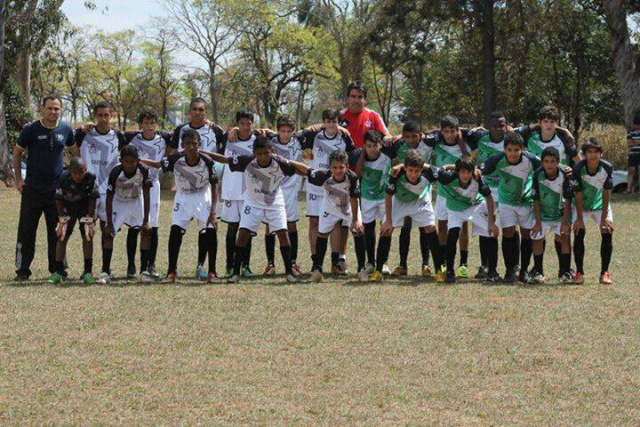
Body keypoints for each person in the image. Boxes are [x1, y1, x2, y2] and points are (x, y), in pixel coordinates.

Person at [202, 136, 307, 284]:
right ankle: (235, 273)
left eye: (266, 153)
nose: (263, 157)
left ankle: (289, 272)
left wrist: (289, 161)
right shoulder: (247, 160)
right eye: (259, 154)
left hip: (274, 201)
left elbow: (305, 171)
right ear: (254, 153)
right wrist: (203, 152)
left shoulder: (280, 163)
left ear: (272, 151)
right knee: (243, 233)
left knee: (283, 234)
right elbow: (225, 160)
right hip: (253, 202)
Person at [141, 129, 219, 283]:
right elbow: (158, 164)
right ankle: (171, 272)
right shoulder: (175, 158)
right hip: (182, 197)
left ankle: (212, 272)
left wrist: (214, 212)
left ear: (199, 144)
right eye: (187, 144)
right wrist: (140, 160)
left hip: (202, 196)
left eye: (194, 144)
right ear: (182, 145)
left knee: (210, 231)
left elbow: (215, 186)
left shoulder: (207, 161)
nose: (191, 147)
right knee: (175, 231)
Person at [13, 95, 76, 281]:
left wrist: (71, 178)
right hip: (32, 189)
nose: (53, 112)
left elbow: (76, 152)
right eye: (49, 108)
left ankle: (57, 268)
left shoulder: (65, 129)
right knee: (27, 230)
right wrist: (18, 179)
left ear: (61, 110)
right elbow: (17, 153)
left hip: (56, 191)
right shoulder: (31, 129)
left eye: (56, 108)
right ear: (42, 108)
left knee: (57, 230)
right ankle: (23, 270)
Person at [170, 97, 225, 279]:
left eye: (201, 110)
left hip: (205, 185)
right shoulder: (180, 130)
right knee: (176, 228)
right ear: (189, 111)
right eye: (194, 109)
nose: (198, 112)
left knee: (207, 227)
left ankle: (203, 266)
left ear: (206, 112)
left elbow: (227, 145)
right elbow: (171, 154)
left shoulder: (215, 130)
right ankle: (172, 271)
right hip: (184, 187)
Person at [290, 150, 365, 283]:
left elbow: (355, 199)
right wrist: (289, 162)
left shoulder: (352, 178)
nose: (338, 171)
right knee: (322, 235)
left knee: (358, 231)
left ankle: (361, 270)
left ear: (347, 167)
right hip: (329, 208)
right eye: (334, 167)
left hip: (348, 208)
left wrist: (355, 221)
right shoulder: (323, 176)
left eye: (341, 167)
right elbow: (307, 170)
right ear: (330, 168)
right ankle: (318, 271)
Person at [479, 132, 542, 283]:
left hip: (526, 202)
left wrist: (566, 169)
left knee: (526, 234)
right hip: (506, 202)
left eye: (516, 150)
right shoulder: (497, 159)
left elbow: (548, 166)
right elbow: (477, 170)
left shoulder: (531, 159)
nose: (513, 153)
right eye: (509, 150)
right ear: (504, 149)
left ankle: (524, 271)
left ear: (522, 149)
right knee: (508, 233)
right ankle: (509, 270)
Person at [300, 108, 356, 275]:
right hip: (315, 185)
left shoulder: (344, 136)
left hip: (335, 185)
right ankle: (315, 261)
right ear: (323, 122)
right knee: (314, 222)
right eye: (328, 121)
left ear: (338, 122)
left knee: (336, 222)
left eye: (334, 121)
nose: (331, 125)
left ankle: (335, 261)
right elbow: (295, 137)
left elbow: (353, 154)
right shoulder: (313, 134)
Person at [75, 101, 127, 276]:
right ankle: (87, 271)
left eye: (107, 115)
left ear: (111, 117)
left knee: (107, 231)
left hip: (108, 192)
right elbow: (68, 141)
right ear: (95, 116)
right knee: (87, 231)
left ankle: (106, 270)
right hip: (87, 192)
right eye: (100, 115)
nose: (103, 119)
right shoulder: (83, 134)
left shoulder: (119, 137)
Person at [377, 150, 444, 282]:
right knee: (386, 230)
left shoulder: (429, 174)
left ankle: (439, 270)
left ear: (421, 169)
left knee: (430, 227)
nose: (413, 174)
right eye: (410, 170)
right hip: (400, 201)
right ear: (405, 168)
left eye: (417, 171)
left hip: (420, 200)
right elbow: (388, 196)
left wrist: (422, 166)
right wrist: (388, 221)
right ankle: (378, 270)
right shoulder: (397, 174)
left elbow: (442, 172)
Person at [125, 108, 172, 279]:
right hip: (135, 185)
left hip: (153, 186)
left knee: (153, 226)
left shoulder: (163, 140)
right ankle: (131, 266)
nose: (149, 125)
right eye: (146, 122)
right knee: (134, 225)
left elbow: (161, 164)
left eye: (152, 122)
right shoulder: (133, 141)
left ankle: (150, 265)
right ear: (140, 124)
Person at [436, 157, 499, 283]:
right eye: (462, 172)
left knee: (491, 233)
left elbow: (489, 199)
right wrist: (451, 166)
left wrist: (492, 223)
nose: (465, 175)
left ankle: (492, 271)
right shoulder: (447, 178)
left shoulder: (478, 179)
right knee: (452, 235)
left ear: (473, 171)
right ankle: (449, 271)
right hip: (455, 209)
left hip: (474, 206)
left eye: (468, 172)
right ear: (457, 172)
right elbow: (438, 169)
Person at [425, 115, 472, 278]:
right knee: (443, 225)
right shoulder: (436, 145)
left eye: (453, 131)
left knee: (462, 226)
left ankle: (463, 263)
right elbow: (423, 135)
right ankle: (444, 261)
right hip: (444, 193)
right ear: (441, 131)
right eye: (445, 131)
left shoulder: (465, 146)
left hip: (461, 194)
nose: (449, 135)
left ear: (457, 131)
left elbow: (469, 163)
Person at [100, 145, 152, 284]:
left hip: (136, 202)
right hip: (119, 202)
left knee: (146, 232)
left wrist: (146, 219)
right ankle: (105, 271)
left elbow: (147, 195)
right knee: (108, 234)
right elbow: (109, 197)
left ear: (138, 161)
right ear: (121, 161)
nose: (129, 165)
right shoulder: (115, 172)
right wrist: (109, 222)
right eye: (126, 162)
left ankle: (143, 271)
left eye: (132, 162)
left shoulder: (144, 171)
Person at [390, 121, 433, 276]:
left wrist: (429, 131)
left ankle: (426, 265)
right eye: (406, 137)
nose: (411, 140)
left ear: (420, 135)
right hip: (404, 190)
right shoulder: (398, 145)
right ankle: (402, 265)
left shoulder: (428, 142)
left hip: (422, 189)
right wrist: (388, 138)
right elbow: (384, 148)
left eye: (414, 136)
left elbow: (442, 131)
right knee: (405, 227)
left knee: (424, 227)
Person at [218, 109, 258, 278]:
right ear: (237, 124)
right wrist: (231, 131)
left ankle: (245, 266)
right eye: (242, 124)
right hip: (231, 190)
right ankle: (229, 266)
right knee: (232, 228)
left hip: (249, 191)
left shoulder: (257, 141)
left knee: (246, 229)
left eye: (248, 123)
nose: (245, 127)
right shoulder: (227, 138)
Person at [48, 157, 100, 285]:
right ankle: (58, 271)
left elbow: (93, 198)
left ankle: (88, 271)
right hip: (68, 208)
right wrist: (62, 218)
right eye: (75, 172)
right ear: (70, 171)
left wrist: (89, 218)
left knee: (87, 235)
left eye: (81, 172)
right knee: (62, 235)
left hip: (84, 207)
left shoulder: (91, 177)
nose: (78, 175)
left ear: (85, 170)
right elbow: (58, 199)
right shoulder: (62, 178)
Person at [263, 115, 304, 276]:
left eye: (288, 131)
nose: (285, 134)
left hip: (290, 188)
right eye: (282, 131)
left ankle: (292, 262)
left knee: (291, 224)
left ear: (293, 132)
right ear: (277, 130)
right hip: (272, 187)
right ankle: (270, 263)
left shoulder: (297, 144)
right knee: (269, 225)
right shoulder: (270, 142)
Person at [572, 137, 615, 285]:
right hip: (581, 207)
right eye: (589, 152)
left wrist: (604, 218)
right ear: (584, 154)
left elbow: (606, 193)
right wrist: (578, 218)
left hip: (600, 205)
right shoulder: (578, 168)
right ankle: (579, 272)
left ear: (601, 154)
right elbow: (577, 194)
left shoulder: (607, 167)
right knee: (578, 231)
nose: (593, 155)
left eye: (596, 151)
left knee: (607, 230)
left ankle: (605, 272)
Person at [530, 147, 575, 284]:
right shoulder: (537, 174)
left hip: (560, 214)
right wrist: (537, 222)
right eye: (546, 161)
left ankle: (565, 271)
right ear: (542, 162)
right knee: (537, 238)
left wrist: (564, 221)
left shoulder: (565, 174)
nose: (549, 164)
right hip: (542, 214)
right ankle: (538, 271)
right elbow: (536, 199)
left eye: (553, 161)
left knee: (564, 238)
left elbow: (568, 200)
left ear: (558, 162)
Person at [354, 130, 396, 276]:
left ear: (380, 145)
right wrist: (362, 155)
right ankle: (370, 262)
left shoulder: (388, 153)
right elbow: (358, 173)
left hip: (385, 198)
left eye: (375, 146)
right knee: (368, 230)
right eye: (368, 146)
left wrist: (392, 137)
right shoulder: (358, 155)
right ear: (364, 146)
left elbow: (402, 138)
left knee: (386, 229)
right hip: (367, 198)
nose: (372, 149)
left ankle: (382, 262)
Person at [626, 113, 640, 193]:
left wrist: (634, 141)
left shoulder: (631, 134)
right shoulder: (630, 132)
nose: (636, 126)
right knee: (631, 170)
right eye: (635, 125)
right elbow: (628, 143)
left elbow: (631, 142)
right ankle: (628, 189)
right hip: (632, 154)